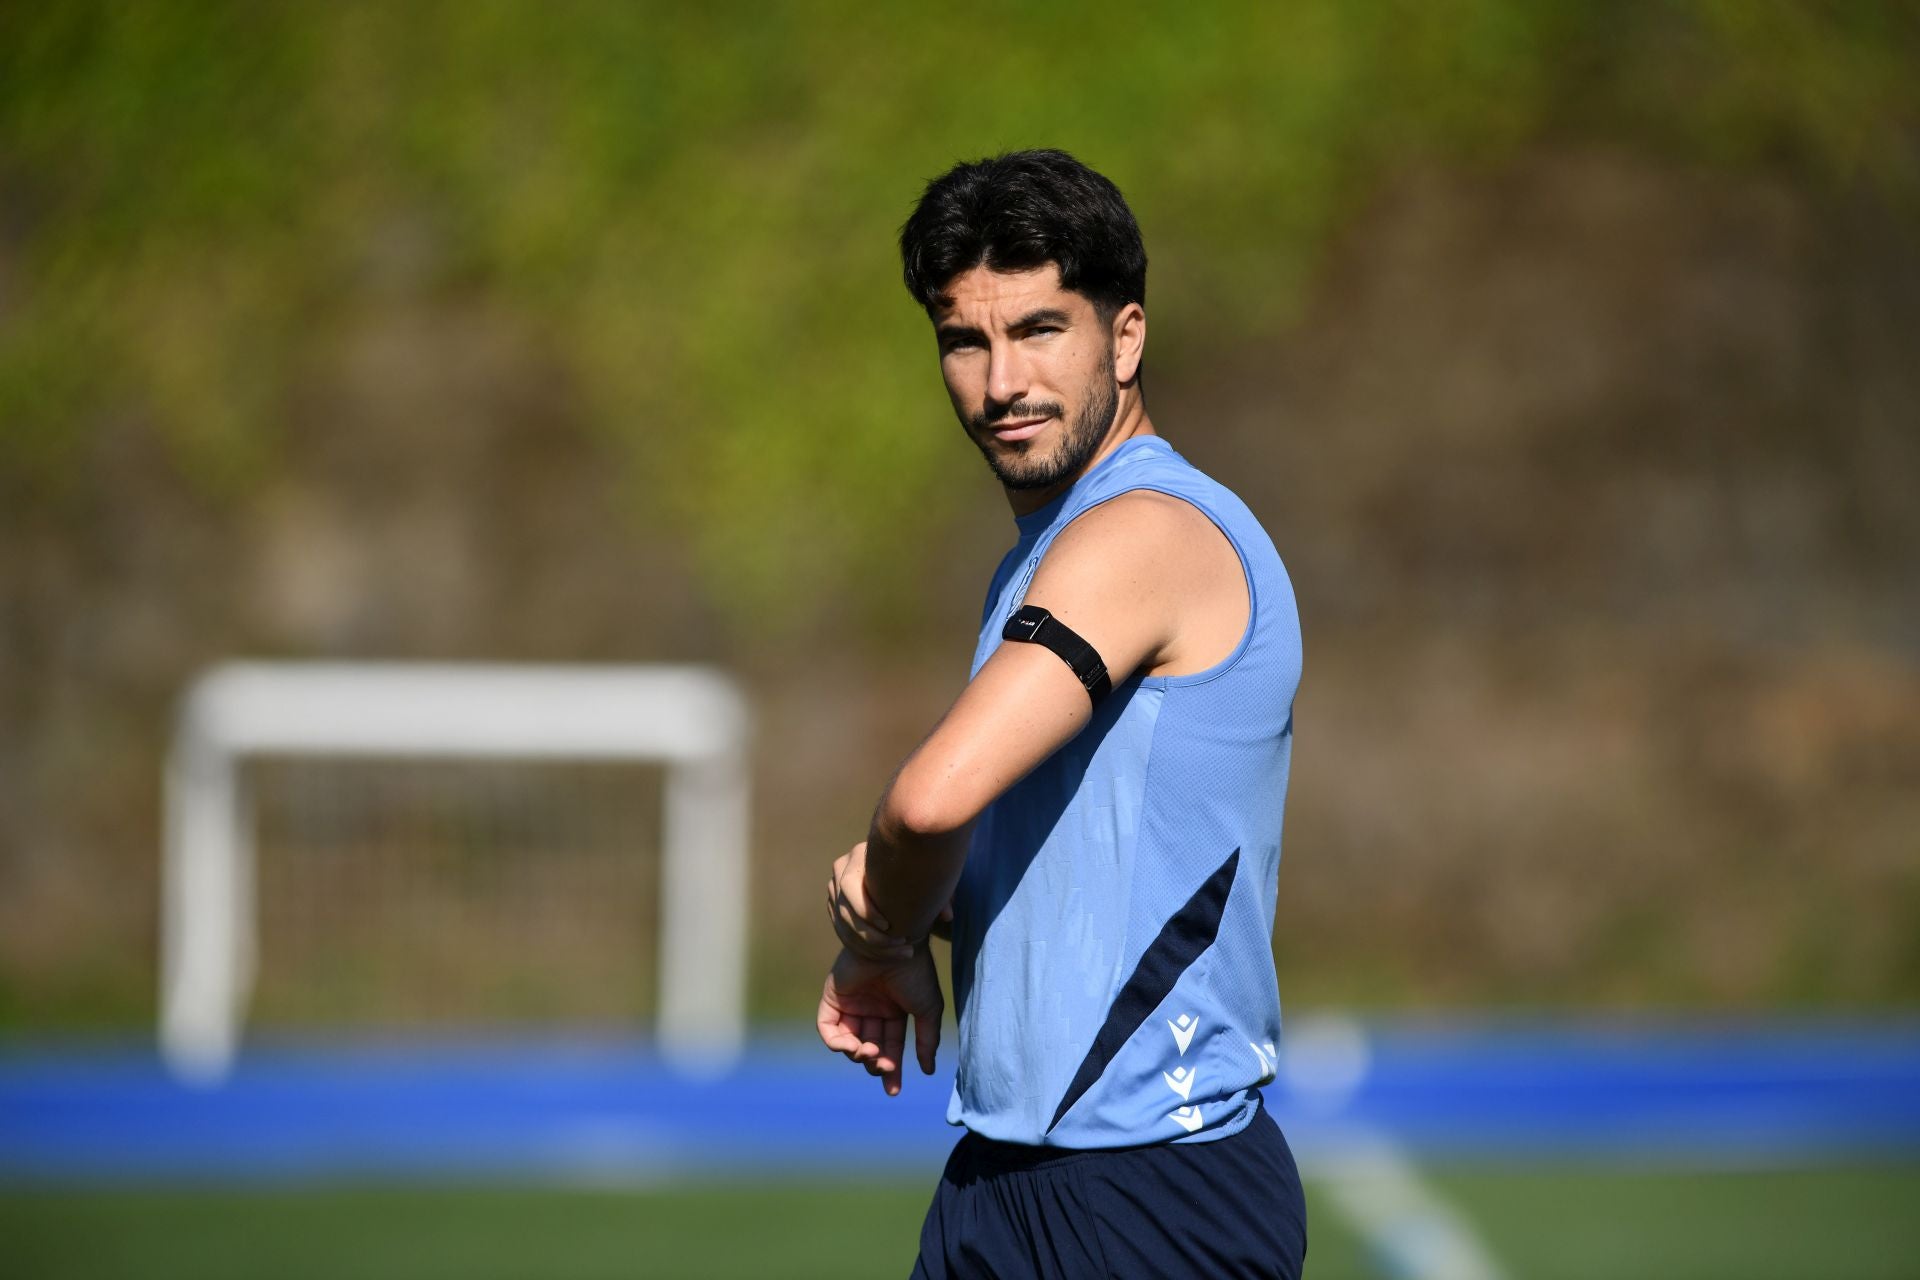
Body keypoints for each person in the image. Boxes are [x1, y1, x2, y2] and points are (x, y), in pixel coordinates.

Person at [816, 149, 1306, 1279]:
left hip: (1150, 1186)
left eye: (1039, 329)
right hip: (1009, 1171)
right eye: (964, 339)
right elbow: (1030, 859)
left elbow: (929, 798)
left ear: (1124, 338)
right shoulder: (1042, 558)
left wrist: (880, 933)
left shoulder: (1147, 532)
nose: (1000, 383)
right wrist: (917, 901)